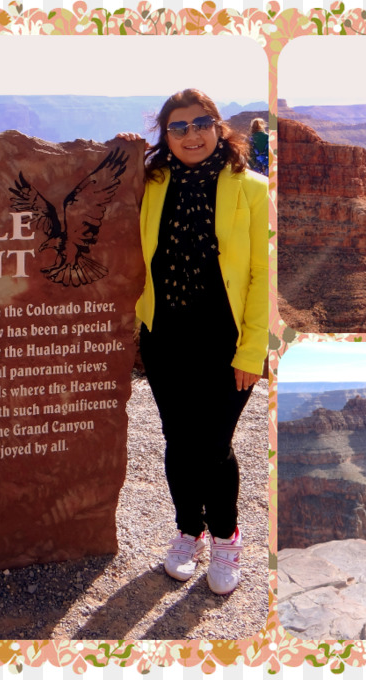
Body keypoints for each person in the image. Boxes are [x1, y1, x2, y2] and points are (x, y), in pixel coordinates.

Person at [129, 89, 267, 595]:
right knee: (177, 442)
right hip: (165, 337)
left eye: (201, 122)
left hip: (224, 342)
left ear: (220, 127)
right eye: (179, 126)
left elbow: (261, 275)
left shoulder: (251, 190)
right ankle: (189, 529)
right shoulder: (151, 185)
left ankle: (226, 538)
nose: (192, 134)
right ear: (165, 136)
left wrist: (252, 352)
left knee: (213, 447)